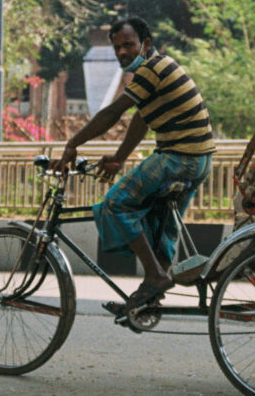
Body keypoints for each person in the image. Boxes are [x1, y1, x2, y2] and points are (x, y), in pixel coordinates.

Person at [51, 17, 214, 312]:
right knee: (163, 220)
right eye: (117, 48)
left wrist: (72, 143)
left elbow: (112, 113)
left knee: (116, 203)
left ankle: (154, 276)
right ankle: (151, 293)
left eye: (129, 45)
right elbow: (141, 120)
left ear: (146, 44)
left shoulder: (151, 70)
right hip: (200, 160)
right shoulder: (156, 69)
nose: (122, 52)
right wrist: (119, 157)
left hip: (178, 158)